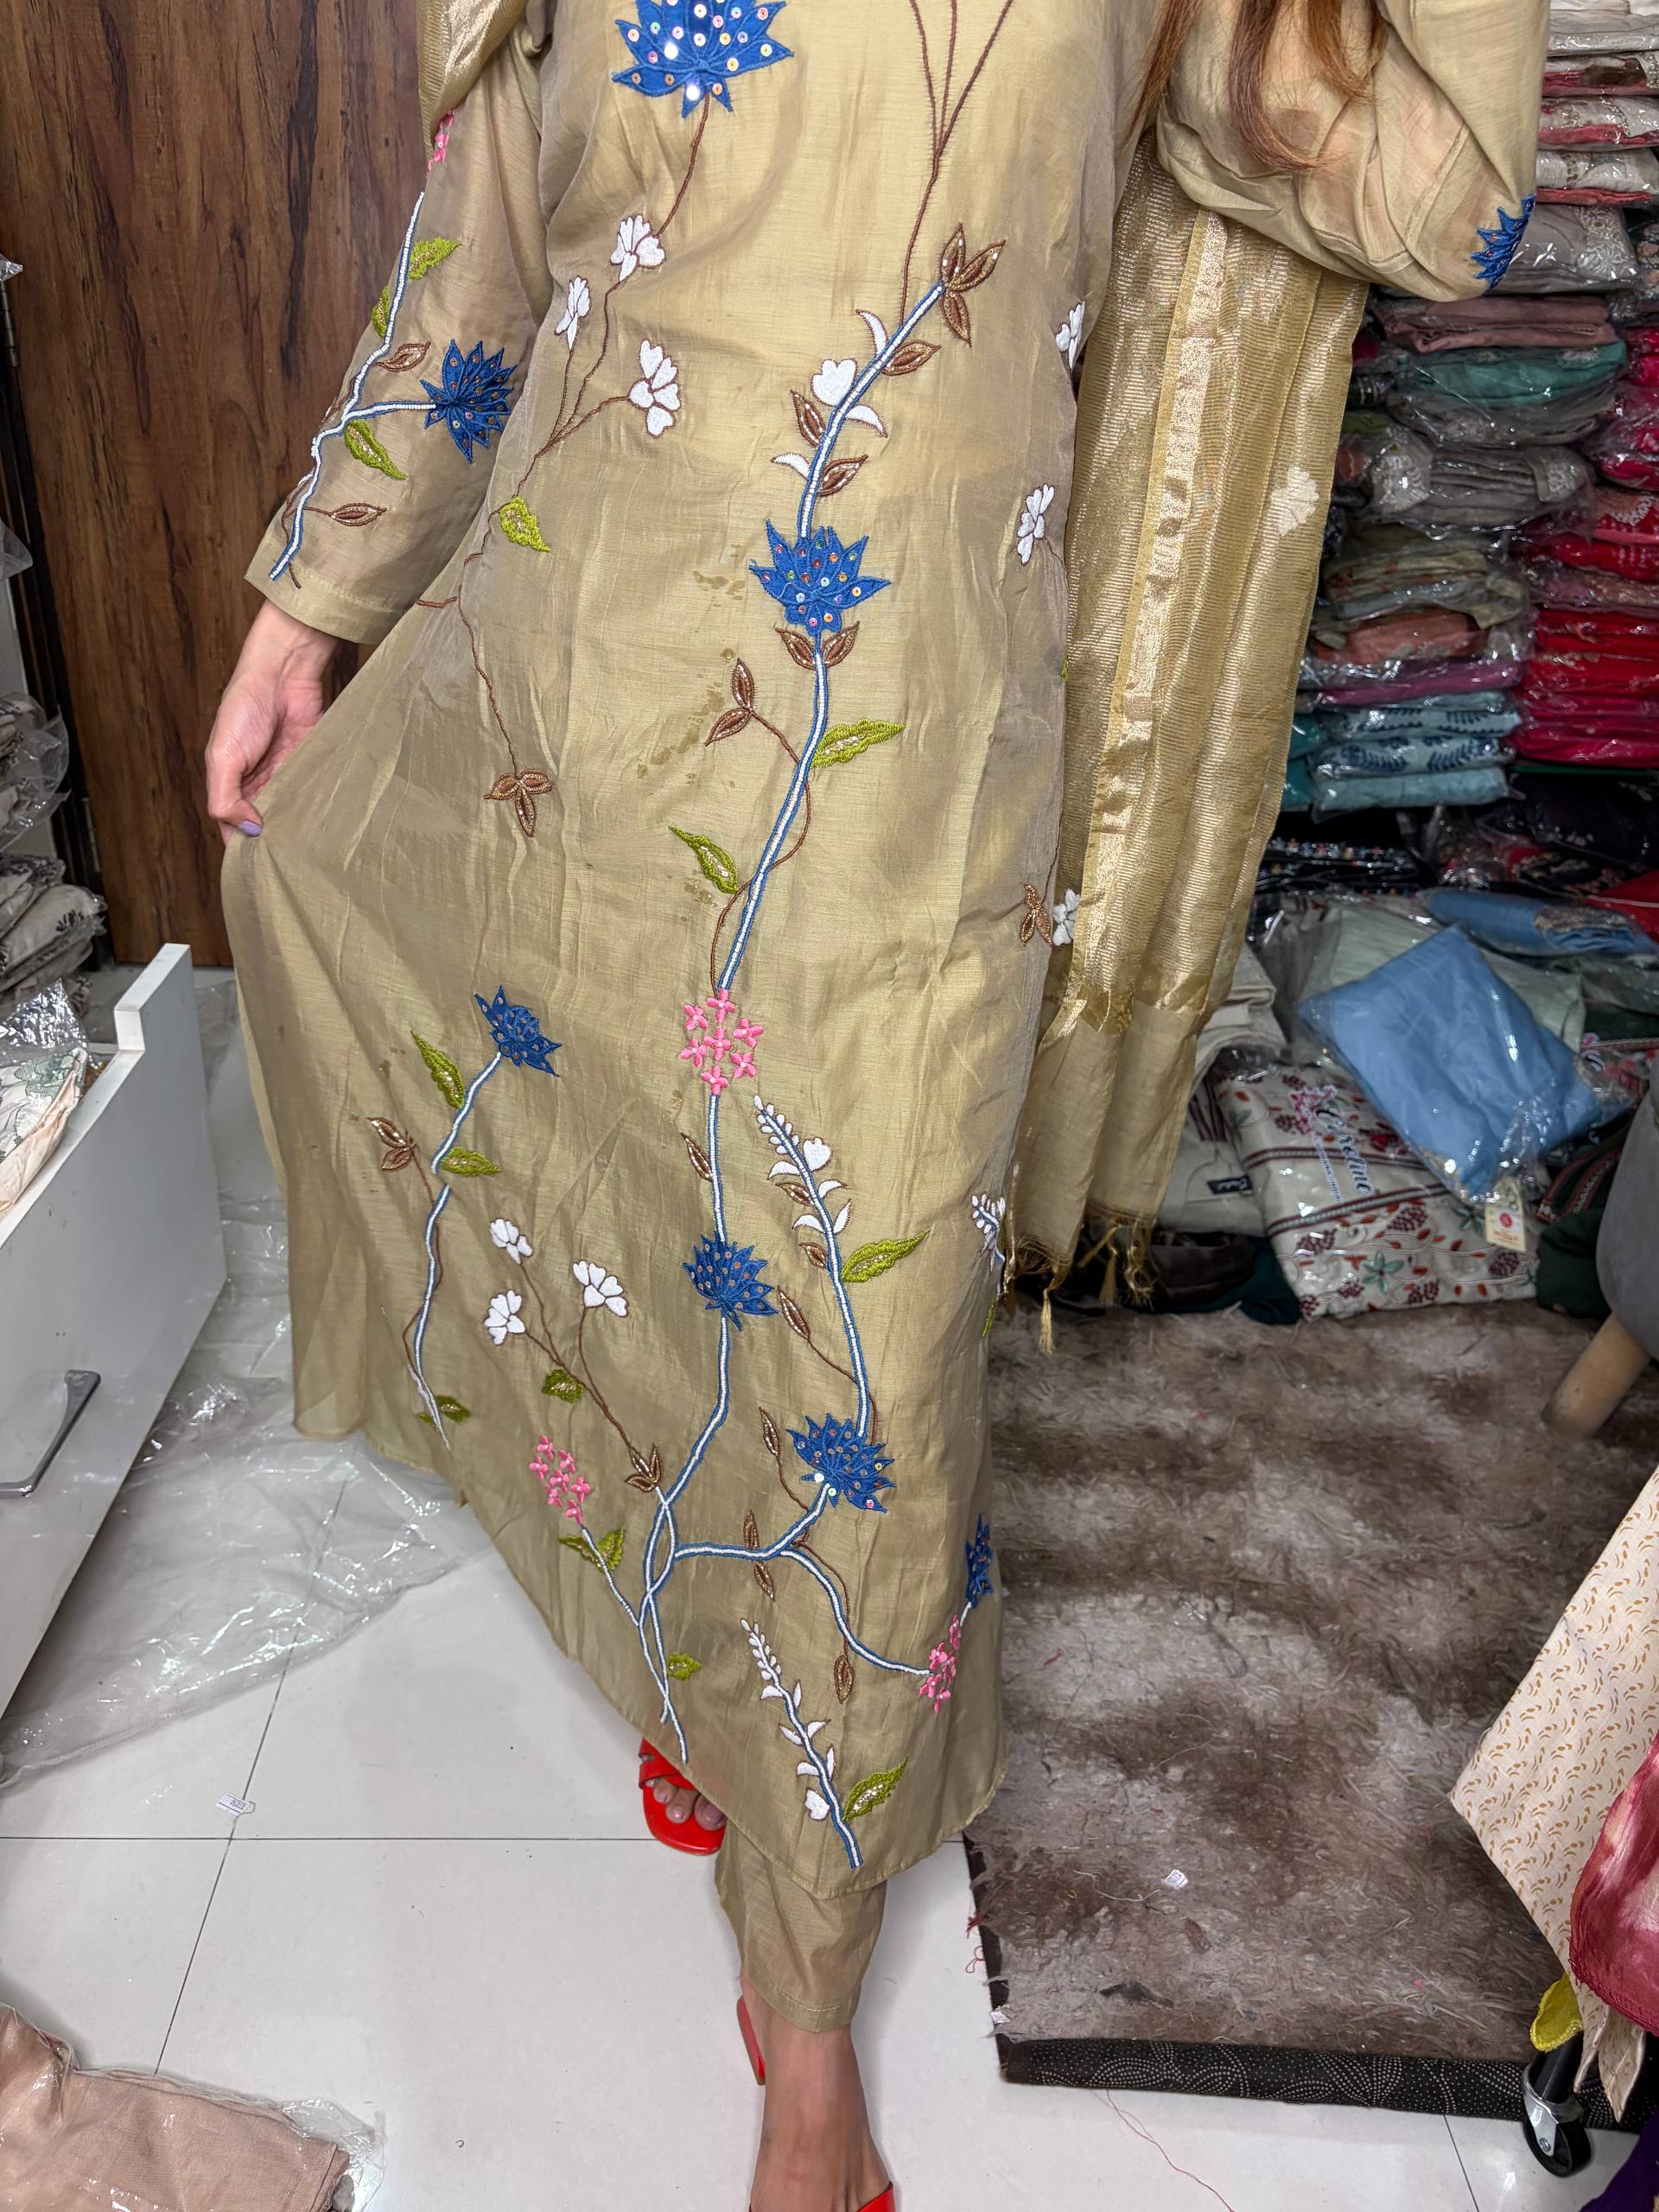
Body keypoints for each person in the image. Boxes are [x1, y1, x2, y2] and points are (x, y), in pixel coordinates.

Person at [207, 3, 1543, 2205]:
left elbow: (1444, 200)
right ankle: (692, 1670)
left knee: (860, 1353)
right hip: (571, 708)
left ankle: (808, 2020)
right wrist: (309, 611)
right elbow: (482, 273)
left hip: (900, 788)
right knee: (620, 1227)